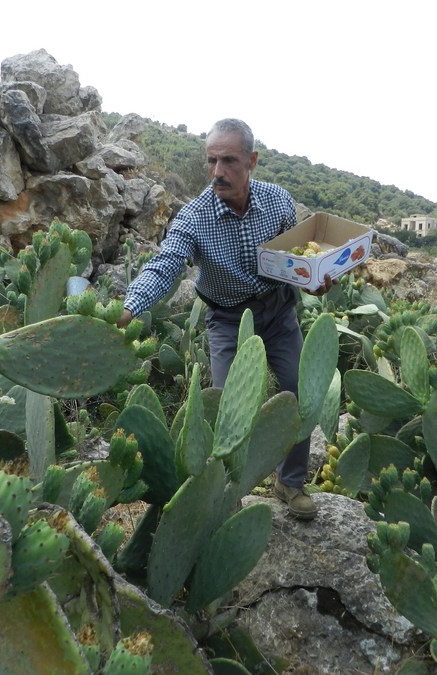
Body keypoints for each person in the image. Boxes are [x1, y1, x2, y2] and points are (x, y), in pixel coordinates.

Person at [117, 118, 331, 520]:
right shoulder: (194, 218)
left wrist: (312, 280)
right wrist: (130, 308)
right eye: (212, 161)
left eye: (229, 161)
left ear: (251, 160)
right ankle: (229, 498)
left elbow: (296, 257)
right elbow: (165, 265)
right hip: (229, 321)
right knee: (229, 411)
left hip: (279, 312)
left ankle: (290, 481)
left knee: (303, 392)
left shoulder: (277, 202)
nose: (218, 172)